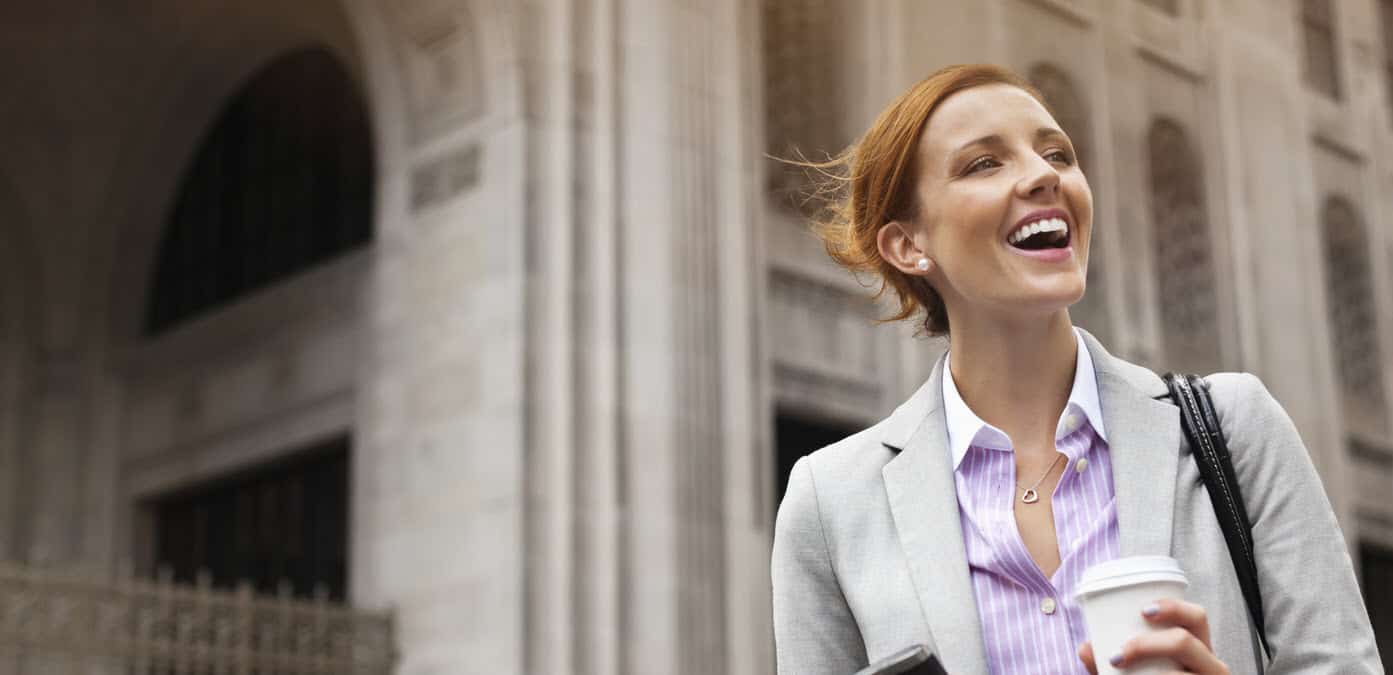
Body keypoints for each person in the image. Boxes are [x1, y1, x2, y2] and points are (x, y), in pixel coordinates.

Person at [770, 63, 1382, 674]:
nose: (1044, 175)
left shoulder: (1235, 426)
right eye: (984, 163)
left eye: (1057, 154)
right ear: (908, 245)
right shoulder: (831, 501)